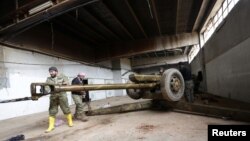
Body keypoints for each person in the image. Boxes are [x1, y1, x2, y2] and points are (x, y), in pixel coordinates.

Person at [44, 66, 73, 133]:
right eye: (50, 72)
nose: (51, 73)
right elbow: (46, 86)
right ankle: (51, 126)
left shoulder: (62, 76)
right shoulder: (48, 79)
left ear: (56, 71)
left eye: (52, 71)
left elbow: (68, 82)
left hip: (62, 95)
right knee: (52, 110)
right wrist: (46, 90)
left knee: (66, 108)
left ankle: (70, 121)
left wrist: (65, 83)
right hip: (53, 96)